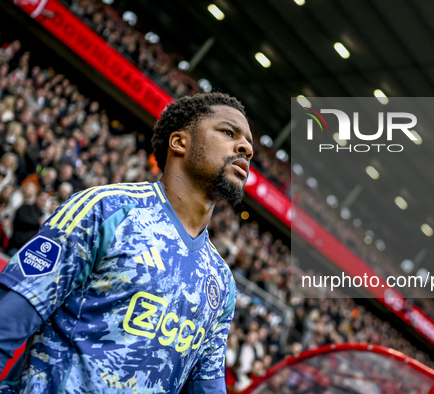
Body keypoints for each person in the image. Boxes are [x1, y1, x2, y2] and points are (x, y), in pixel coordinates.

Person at [0, 92, 253, 393]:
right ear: (180, 142)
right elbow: (7, 324)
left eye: (248, 143)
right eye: (228, 132)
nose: (246, 148)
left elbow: (207, 387)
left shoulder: (221, 281)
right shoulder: (106, 211)